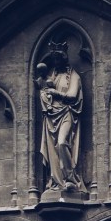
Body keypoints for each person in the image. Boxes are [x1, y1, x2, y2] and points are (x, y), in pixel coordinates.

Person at [35, 42, 86, 197]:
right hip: (51, 116)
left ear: (64, 59)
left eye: (58, 59)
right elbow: (44, 92)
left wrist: (55, 93)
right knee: (53, 149)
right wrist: (45, 93)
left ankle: (70, 178)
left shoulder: (74, 76)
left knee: (62, 142)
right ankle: (58, 182)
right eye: (54, 59)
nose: (56, 62)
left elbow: (72, 96)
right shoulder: (52, 76)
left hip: (66, 113)